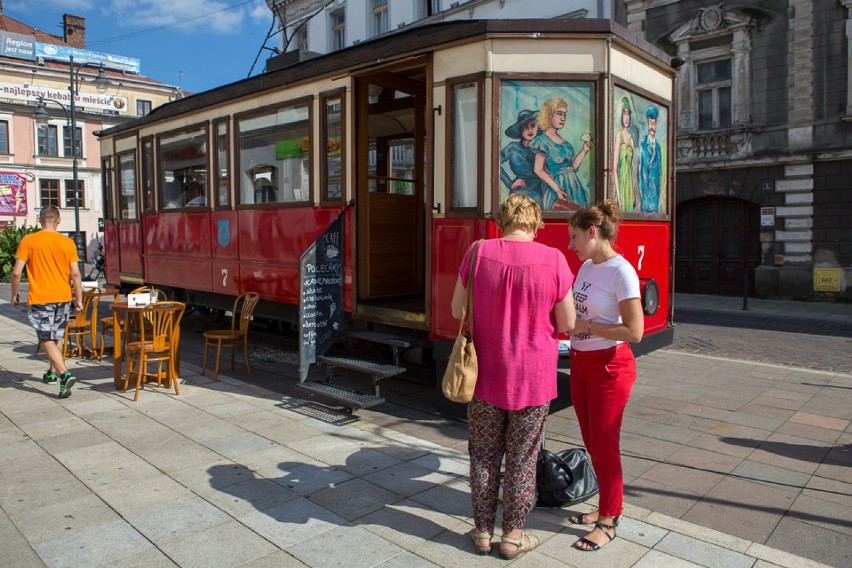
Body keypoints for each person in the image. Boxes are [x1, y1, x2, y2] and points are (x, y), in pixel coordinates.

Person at [450, 194, 575, 559]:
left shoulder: (477, 252)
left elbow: (458, 308)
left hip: (485, 375)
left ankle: (483, 533)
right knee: (522, 458)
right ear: (535, 223)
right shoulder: (553, 259)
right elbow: (566, 323)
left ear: (502, 220)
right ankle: (513, 536)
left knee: (484, 455)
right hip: (534, 378)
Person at [566, 199, 644, 551]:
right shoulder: (587, 267)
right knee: (590, 439)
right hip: (581, 363)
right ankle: (602, 508)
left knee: (604, 443)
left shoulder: (620, 271)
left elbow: (635, 331)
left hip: (610, 366)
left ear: (592, 233)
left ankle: (609, 520)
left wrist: (587, 325)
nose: (571, 244)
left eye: (574, 237)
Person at [11, 205, 83, 398]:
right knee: (57, 336)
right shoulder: (67, 243)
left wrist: (14, 294)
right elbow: (75, 273)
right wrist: (79, 299)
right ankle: (54, 375)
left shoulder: (29, 240)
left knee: (45, 337)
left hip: (41, 298)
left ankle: (63, 373)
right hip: (63, 297)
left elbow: (17, 272)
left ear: (39, 219)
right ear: (59, 220)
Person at [530, 98, 593, 210]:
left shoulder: (565, 143)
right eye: (559, 114)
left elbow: (571, 167)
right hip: (557, 191)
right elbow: (538, 170)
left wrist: (585, 149)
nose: (563, 118)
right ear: (549, 115)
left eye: (564, 114)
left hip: (575, 189)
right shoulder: (542, 141)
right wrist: (557, 189)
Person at [499, 110, 543, 203]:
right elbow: (494, 163)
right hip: (520, 193)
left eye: (533, 126)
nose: (530, 130)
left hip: (540, 192)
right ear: (520, 129)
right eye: (526, 127)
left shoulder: (542, 148)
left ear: (537, 127)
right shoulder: (513, 148)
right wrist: (510, 183)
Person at [613, 97, 638, 212]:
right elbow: (614, 168)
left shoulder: (631, 139)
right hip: (621, 184)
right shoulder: (619, 135)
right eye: (624, 113)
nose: (627, 117)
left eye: (628, 114)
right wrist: (618, 196)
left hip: (629, 184)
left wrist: (634, 192)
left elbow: (633, 169)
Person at [638, 106, 662, 213]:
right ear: (648, 125)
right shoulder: (643, 143)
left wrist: (658, 194)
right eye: (650, 123)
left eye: (654, 123)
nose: (652, 126)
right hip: (645, 197)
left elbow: (660, 173)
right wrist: (642, 193)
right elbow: (640, 170)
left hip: (654, 200)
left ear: (656, 125)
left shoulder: (658, 146)